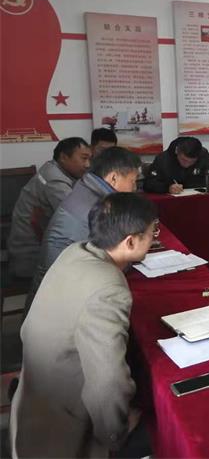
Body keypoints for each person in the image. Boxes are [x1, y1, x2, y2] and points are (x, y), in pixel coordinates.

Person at [10, 193, 157, 457]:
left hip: (33, 400)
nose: (154, 238)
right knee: (161, 424)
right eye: (152, 232)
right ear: (130, 241)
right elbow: (108, 381)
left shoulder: (75, 251)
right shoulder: (108, 289)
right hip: (62, 428)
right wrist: (117, 432)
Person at [26, 147, 142, 314]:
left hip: (53, 288)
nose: (135, 188)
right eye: (133, 181)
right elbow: (115, 261)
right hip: (61, 302)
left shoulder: (86, 187)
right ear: (114, 178)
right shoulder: (100, 207)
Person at [7, 137, 91, 281]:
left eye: (89, 159)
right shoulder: (54, 180)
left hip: (39, 247)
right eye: (83, 158)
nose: (88, 164)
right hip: (31, 257)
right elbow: (79, 216)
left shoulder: (54, 169)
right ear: (63, 157)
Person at [143, 136, 209, 194]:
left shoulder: (203, 155)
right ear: (176, 151)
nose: (187, 165)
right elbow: (148, 184)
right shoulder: (162, 159)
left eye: (192, 162)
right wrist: (167, 188)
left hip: (197, 197)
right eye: (184, 160)